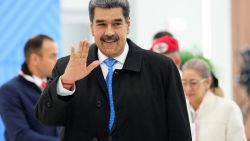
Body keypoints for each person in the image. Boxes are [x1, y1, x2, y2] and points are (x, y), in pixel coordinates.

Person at [35, 0, 192, 141]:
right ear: (92, 27)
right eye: (101, 24)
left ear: (128, 25)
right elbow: (46, 119)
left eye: (117, 23)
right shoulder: (66, 67)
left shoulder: (161, 68)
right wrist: (66, 83)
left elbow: (179, 131)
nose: (109, 32)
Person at [0, 34, 60, 141]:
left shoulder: (58, 86)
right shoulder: (9, 91)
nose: (57, 61)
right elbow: (20, 136)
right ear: (35, 59)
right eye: (53, 56)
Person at [181, 58, 246, 141]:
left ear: (208, 82)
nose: (188, 88)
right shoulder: (180, 110)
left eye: (193, 83)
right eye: (184, 83)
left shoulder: (229, 109)